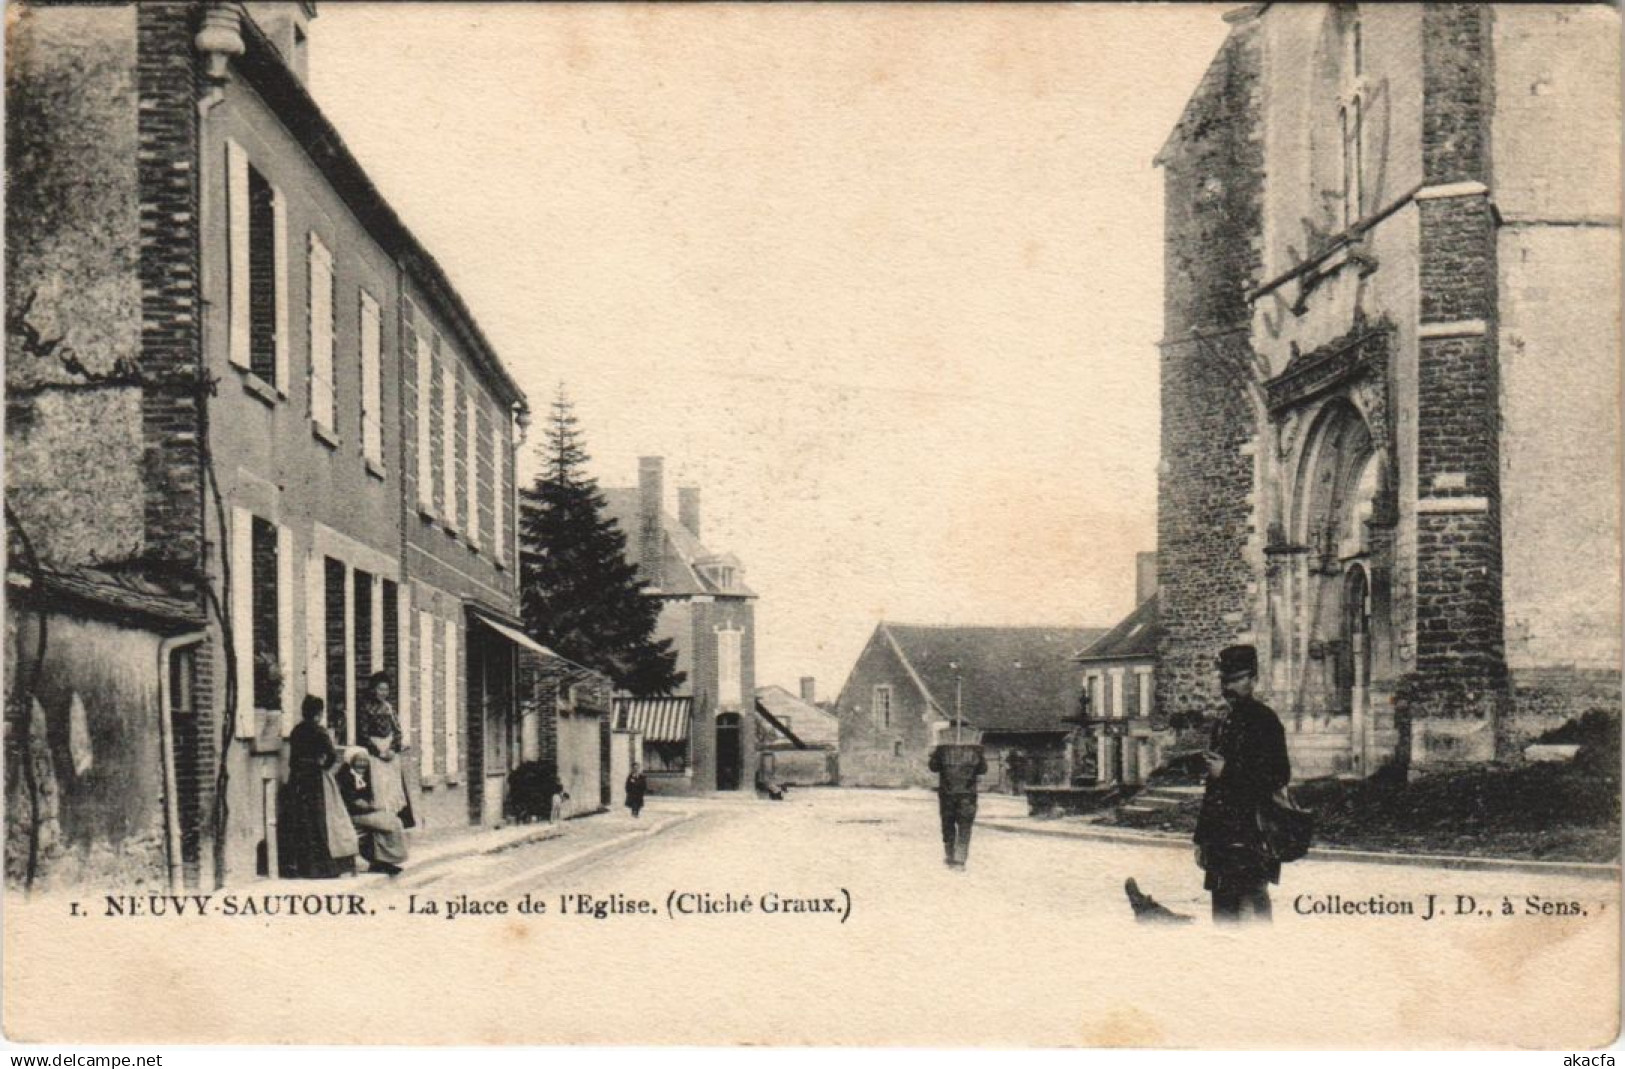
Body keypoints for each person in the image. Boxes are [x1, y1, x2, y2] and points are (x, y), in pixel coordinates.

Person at [1193, 644, 1291, 924]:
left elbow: (1278, 776)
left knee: (1253, 917)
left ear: (1253, 679)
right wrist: (1201, 838)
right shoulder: (1223, 722)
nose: (1229, 688)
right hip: (1221, 840)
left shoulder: (1265, 721)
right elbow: (1212, 790)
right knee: (1223, 919)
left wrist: (1228, 771)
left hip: (1252, 836)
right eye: (1225, 681)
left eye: (1236, 680)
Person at [279, 696, 349, 878]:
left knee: (299, 821)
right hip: (313, 779)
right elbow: (332, 755)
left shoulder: (296, 731)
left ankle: (298, 866)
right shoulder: (319, 731)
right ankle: (318, 868)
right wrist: (322, 767)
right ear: (318, 713)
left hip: (297, 779)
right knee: (316, 821)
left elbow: (292, 761)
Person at [335, 748, 409, 875]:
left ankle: (385, 859)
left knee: (392, 821)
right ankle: (387, 858)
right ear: (351, 762)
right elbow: (349, 801)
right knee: (391, 822)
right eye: (359, 761)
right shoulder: (345, 776)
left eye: (365, 761)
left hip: (366, 812)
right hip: (353, 815)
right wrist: (369, 807)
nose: (362, 764)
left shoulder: (366, 776)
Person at [360, 672, 415, 830]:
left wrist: (392, 749)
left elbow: (398, 731)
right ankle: (382, 821)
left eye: (386, 689)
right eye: (380, 689)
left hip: (390, 753)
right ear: (373, 690)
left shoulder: (389, 708)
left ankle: (395, 821)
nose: (383, 693)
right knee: (379, 788)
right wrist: (378, 752)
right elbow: (363, 734)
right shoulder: (366, 708)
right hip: (375, 753)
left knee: (394, 788)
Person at [928, 731, 986, 870]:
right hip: (968, 794)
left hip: (947, 794)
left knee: (948, 826)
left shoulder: (942, 749)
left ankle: (950, 856)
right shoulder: (975, 750)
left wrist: (934, 753)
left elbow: (933, 767)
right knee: (965, 826)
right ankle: (960, 859)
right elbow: (983, 769)